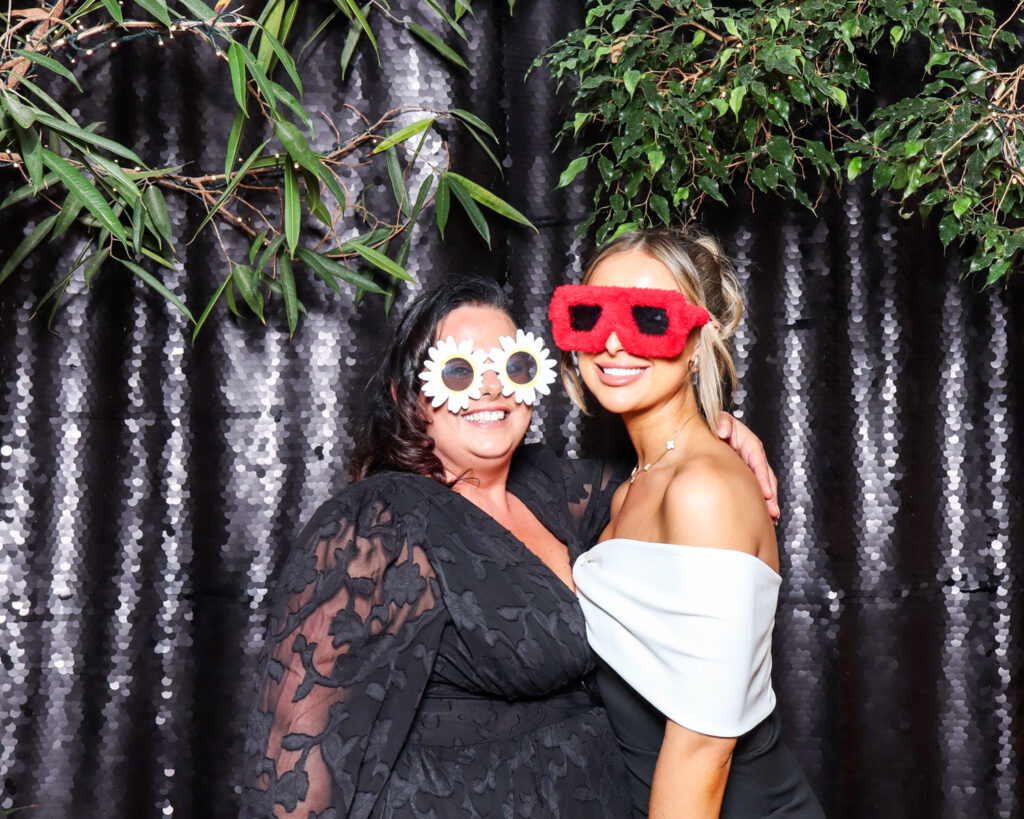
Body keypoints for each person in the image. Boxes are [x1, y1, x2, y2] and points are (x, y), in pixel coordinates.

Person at [241, 275, 777, 818]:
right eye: (459, 371)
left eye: (513, 367)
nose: (492, 388)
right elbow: (294, 751)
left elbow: (665, 467)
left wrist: (723, 432)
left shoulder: (556, 490)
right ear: (409, 395)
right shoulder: (379, 524)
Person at [549, 227, 825, 818]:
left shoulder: (703, 491)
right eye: (592, 315)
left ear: (698, 338)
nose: (615, 343)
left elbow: (703, 749)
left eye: (649, 317)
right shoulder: (629, 485)